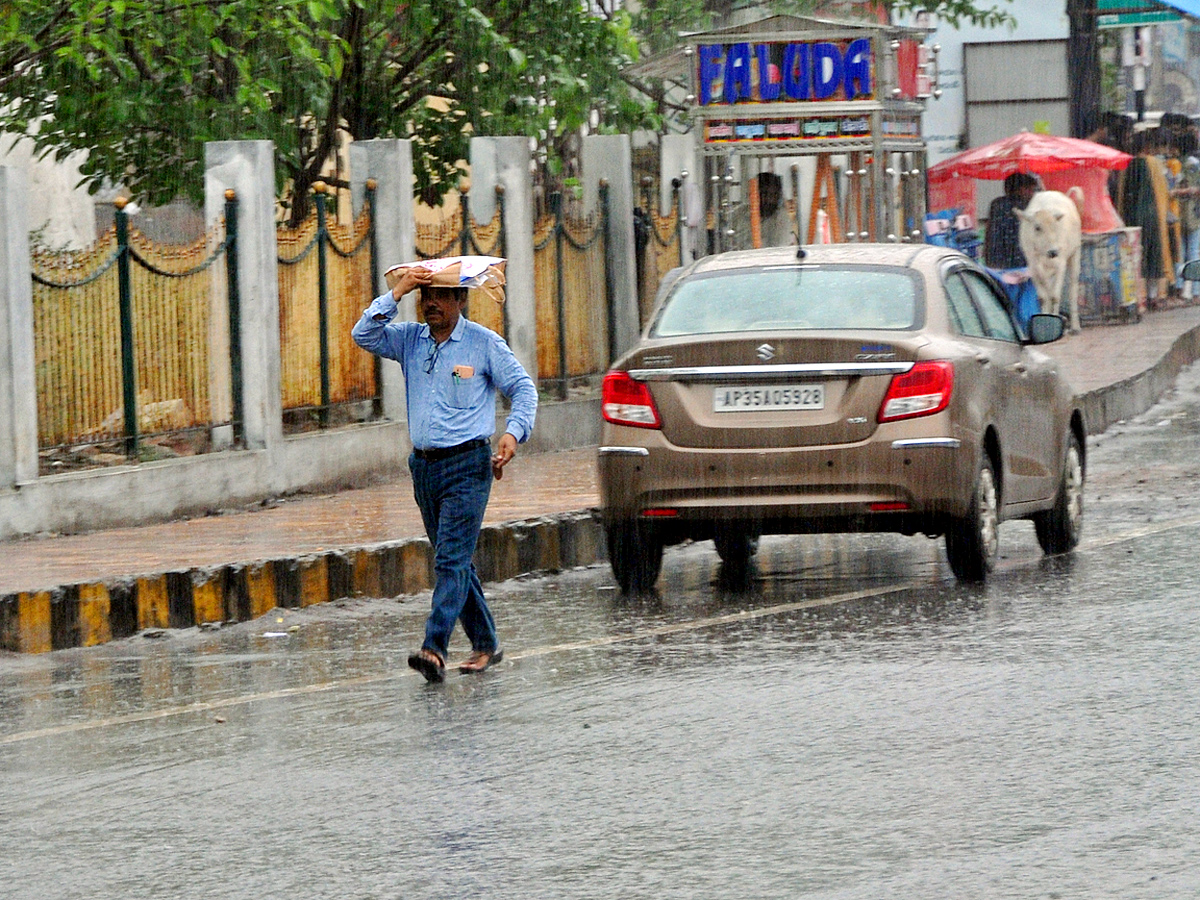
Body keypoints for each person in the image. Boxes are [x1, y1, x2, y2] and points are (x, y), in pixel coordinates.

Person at [351, 260, 537, 683]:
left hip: (469, 465)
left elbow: (523, 388)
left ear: (460, 299)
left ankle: (434, 647)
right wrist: (396, 293)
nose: (430, 304)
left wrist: (513, 434)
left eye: (440, 296)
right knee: (454, 560)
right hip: (424, 468)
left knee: (451, 560)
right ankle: (486, 642)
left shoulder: (484, 344)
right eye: (425, 296)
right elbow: (363, 334)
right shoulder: (409, 341)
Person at [984, 172, 1039, 269]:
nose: (1032, 193)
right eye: (1030, 189)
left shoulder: (996, 203)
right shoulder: (1027, 206)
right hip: (1021, 261)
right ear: (1019, 189)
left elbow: (989, 233)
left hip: (996, 261)